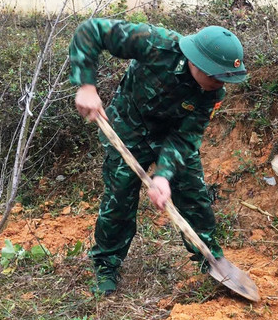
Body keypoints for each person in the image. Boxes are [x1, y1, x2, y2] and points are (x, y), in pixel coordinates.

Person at [69, 19, 247, 295]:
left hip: (171, 135)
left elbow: (186, 136)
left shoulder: (212, 93)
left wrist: (163, 175)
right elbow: (90, 31)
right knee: (120, 198)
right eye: (216, 76)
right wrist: (86, 86)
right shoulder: (156, 43)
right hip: (129, 128)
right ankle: (105, 266)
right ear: (197, 63)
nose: (221, 84)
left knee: (194, 195)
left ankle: (210, 258)